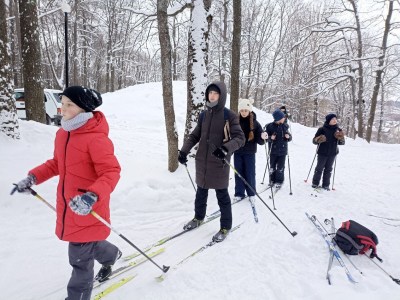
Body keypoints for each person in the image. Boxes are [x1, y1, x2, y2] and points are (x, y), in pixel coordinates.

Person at [11, 86, 122, 300]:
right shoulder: (63, 133)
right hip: (69, 205)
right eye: (62, 103)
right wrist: (33, 177)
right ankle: (111, 255)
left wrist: (91, 196)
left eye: (70, 104)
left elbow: (111, 171)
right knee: (87, 243)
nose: (63, 108)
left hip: (88, 206)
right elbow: (56, 164)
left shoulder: (96, 138)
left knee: (80, 260)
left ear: (84, 109)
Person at [178, 82, 245, 242]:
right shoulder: (204, 114)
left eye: (215, 93)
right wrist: (184, 150)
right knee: (201, 192)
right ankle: (198, 218)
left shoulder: (229, 116)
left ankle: (225, 226)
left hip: (219, 163)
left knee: (222, 196)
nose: (212, 96)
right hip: (203, 162)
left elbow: (240, 138)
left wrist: (225, 148)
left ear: (221, 96)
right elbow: (195, 135)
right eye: (210, 93)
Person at [233, 98, 267, 203]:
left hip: (250, 152)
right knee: (238, 173)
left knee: (250, 173)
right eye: (242, 110)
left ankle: (251, 193)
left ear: (250, 110)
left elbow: (260, 141)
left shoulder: (255, 123)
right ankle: (239, 193)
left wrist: (263, 137)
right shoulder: (234, 122)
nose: (243, 113)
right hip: (237, 152)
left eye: (245, 110)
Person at [312, 113, 345, 190]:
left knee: (328, 169)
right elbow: (314, 141)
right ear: (328, 120)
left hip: (332, 153)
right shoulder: (322, 129)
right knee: (319, 168)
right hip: (322, 152)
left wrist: (341, 138)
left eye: (335, 119)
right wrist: (319, 139)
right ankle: (315, 183)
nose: (335, 120)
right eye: (333, 119)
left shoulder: (338, 130)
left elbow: (342, 143)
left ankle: (326, 185)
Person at [265, 109, 292, 189]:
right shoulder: (269, 126)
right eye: (283, 117)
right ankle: (272, 180)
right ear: (278, 118)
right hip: (273, 150)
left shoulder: (285, 126)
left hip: (283, 151)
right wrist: (270, 138)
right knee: (272, 167)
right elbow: (265, 138)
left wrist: (288, 137)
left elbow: (289, 137)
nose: (284, 118)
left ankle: (279, 181)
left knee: (280, 167)